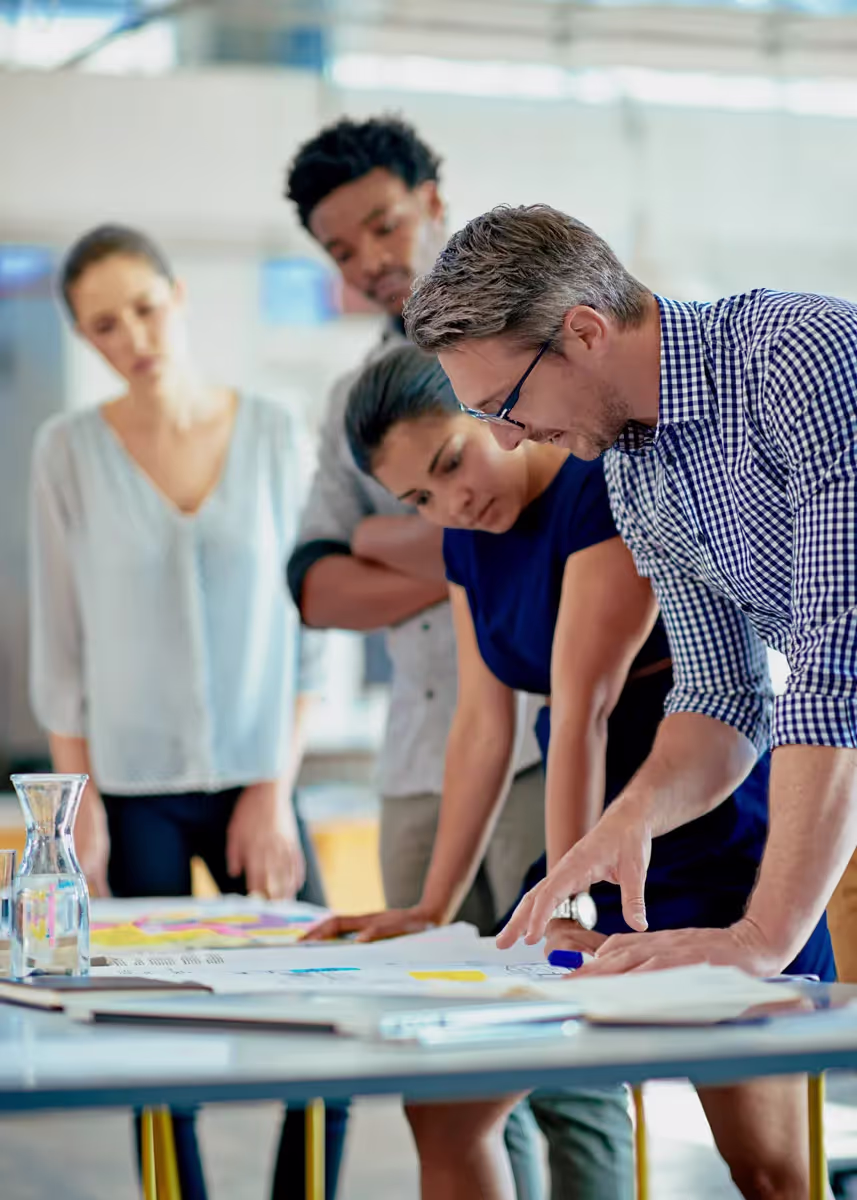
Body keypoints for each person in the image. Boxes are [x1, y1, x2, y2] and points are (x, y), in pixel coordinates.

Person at [312, 343, 833, 1200]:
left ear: (488, 409)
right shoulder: (464, 541)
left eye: (451, 462)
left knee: (768, 1168)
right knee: (446, 1116)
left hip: (699, 827)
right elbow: (481, 729)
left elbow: (583, 704)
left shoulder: (597, 488)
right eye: (419, 498)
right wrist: (432, 907)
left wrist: (574, 901)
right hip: (580, 840)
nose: (454, 502)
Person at [285, 118, 568, 1200]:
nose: (367, 262)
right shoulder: (344, 407)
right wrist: (482, 546)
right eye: (339, 251)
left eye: (381, 225)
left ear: (434, 197)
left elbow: (563, 511)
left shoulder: (523, 342)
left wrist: (406, 536)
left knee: (567, 1070)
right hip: (423, 762)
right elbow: (312, 582)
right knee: (441, 1072)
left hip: (551, 751)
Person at [29, 224, 341, 1200]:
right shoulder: (67, 452)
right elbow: (61, 643)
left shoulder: (276, 432)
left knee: (333, 1016)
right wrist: (81, 809)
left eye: (145, 308)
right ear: (87, 340)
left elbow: (309, 625)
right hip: (133, 793)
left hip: (261, 781)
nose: (134, 337)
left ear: (180, 297)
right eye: (105, 325)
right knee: (155, 1056)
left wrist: (272, 791)